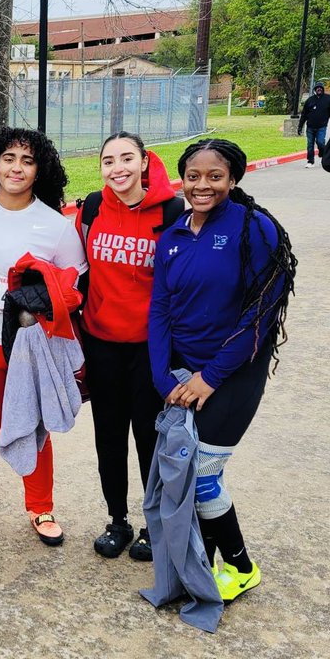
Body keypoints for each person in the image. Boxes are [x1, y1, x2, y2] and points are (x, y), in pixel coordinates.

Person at [149, 138, 296, 602]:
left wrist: (209, 378)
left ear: (234, 178)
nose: (202, 185)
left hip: (232, 374)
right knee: (186, 476)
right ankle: (202, 566)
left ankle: (240, 566)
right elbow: (160, 310)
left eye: (215, 176)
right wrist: (162, 375)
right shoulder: (173, 234)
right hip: (179, 376)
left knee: (204, 477)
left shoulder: (256, 229)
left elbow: (260, 318)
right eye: (193, 176)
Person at [0, 128, 87, 546]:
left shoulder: (54, 225)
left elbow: (75, 283)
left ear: (39, 170)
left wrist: (43, 297)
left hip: (30, 344)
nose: (17, 167)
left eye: (27, 161)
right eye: (9, 157)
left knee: (36, 424)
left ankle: (41, 507)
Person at [78, 132, 185, 561]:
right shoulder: (91, 208)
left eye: (127, 158)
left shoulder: (173, 210)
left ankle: (151, 523)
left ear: (144, 162)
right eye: (108, 161)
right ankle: (117, 520)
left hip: (149, 348)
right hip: (102, 344)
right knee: (108, 438)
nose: (117, 168)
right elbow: (79, 269)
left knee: (149, 439)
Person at [297, 83, 330, 167]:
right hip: (310, 126)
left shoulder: (328, 99)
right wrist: (300, 126)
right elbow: (304, 114)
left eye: (320, 88)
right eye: (317, 88)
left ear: (323, 89)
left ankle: (322, 153)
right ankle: (310, 161)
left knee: (320, 142)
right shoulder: (310, 100)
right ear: (315, 90)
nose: (319, 89)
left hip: (322, 126)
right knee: (310, 144)